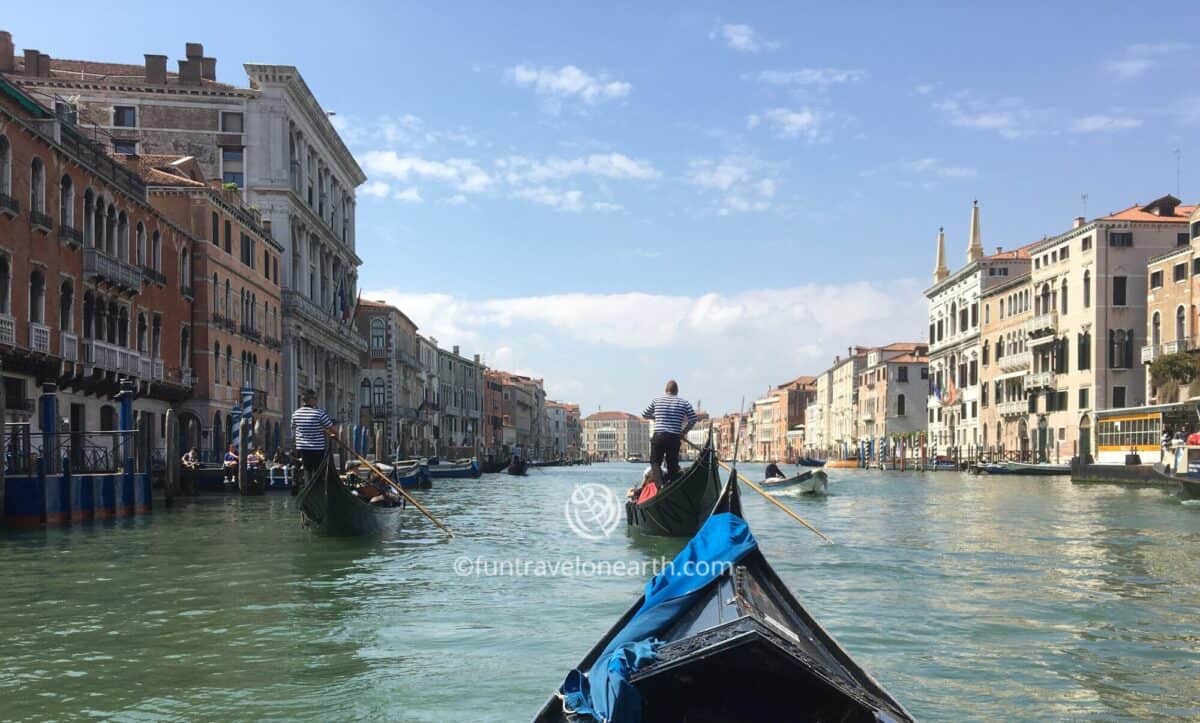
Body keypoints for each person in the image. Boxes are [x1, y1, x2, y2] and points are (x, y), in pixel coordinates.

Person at [642, 379, 698, 482]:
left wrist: (656, 417)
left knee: (655, 462)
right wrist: (683, 432)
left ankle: (660, 486)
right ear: (677, 391)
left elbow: (645, 414)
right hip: (674, 437)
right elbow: (693, 419)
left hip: (659, 435)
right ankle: (671, 483)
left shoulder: (657, 400)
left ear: (666, 390)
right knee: (672, 464)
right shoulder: (684, 402)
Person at [291, 389, 335, 474]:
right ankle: (316, 485)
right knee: (318, 471)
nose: (317, 400)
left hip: (302, 448)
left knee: (307, 470)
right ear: (311, 400)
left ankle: (308, 484)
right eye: (315, 398)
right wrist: (331, 433)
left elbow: (294, 431)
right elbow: (333, 429)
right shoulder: (319, 413)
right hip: (317, 448)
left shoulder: (295, 414)